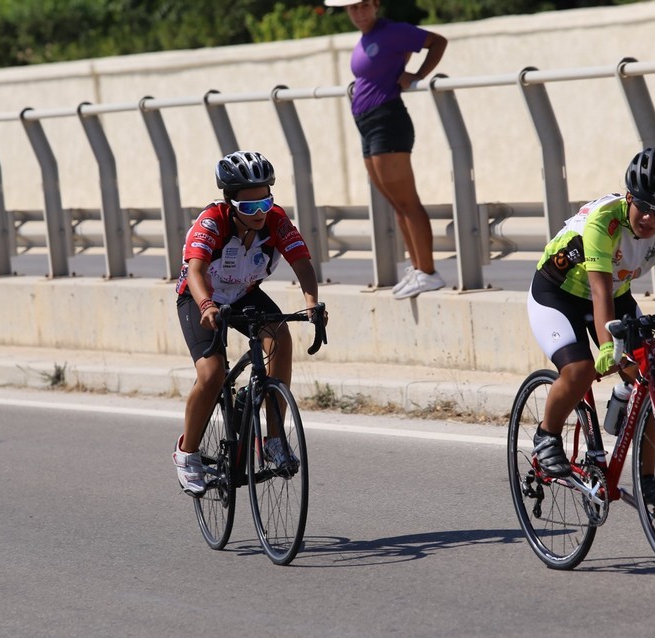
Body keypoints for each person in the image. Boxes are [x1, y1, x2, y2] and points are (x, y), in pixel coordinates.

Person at [526, 145, 655, 515]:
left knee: (647, 377)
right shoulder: (604, 221)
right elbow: (599, 291)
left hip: (615, 295)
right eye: (645, 206)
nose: (651, 218)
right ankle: (546, 437)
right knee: (580, 370)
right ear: (629, 197)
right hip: (558, 294)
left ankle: (646, 477)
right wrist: (608, 348)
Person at [172, 150, 323, 496]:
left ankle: (273, 439)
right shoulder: (212, 222)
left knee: (280, 337)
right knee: (212, 374)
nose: (259, 213)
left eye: (265, 202)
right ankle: (187, 453)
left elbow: (301, 262)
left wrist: (312, 303)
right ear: (230, 202)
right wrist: (207, 304)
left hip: (243, 294)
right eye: (249, 206)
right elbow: (195, 271)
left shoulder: (275, 220)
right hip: (200, 296)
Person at [327, 0, 448, 299]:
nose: (358, 12)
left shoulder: (392, 31)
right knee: (396, 203)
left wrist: (418, 75)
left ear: (375, 5)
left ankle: (429, 272)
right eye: (352, 8)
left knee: (407, 201)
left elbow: (438, 42)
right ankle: (418, 268)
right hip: (367, 124)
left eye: (363, 5)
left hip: (387, 121)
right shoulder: (366, 38)